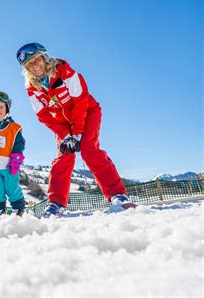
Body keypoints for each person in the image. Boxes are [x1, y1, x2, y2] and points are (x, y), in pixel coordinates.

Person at [16, 42, 135, 215]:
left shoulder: (64, 71)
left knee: (88, 150)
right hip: (63, 124)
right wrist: (65, 135)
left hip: (88, 113)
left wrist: (78, 133)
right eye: (30, 65)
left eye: (36, 60)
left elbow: (81, 100)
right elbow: (43, 116)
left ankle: (118, 195)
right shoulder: (32, 88)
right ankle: (55, 203)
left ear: (44, 57)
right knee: (65, 156)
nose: (35, 66)